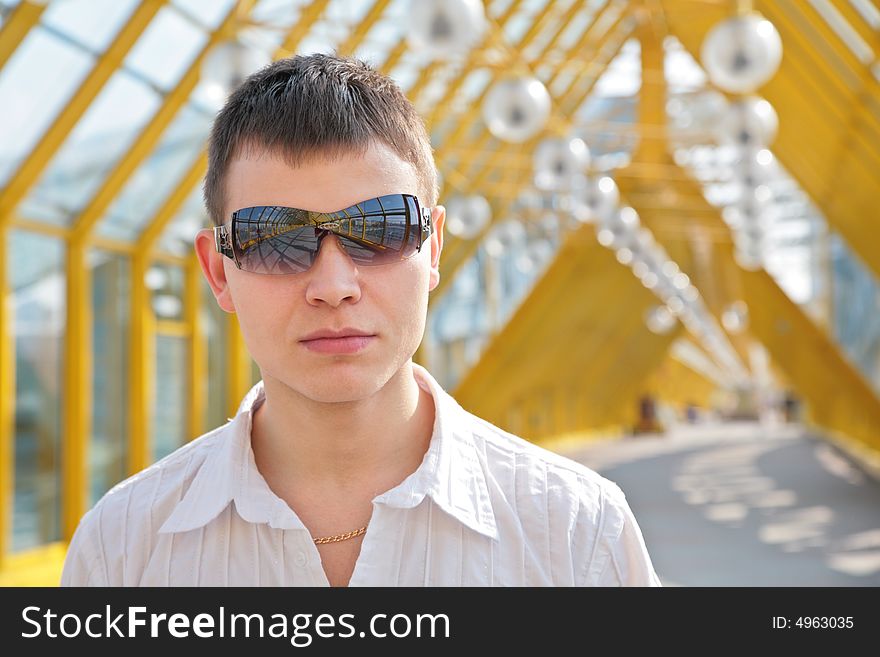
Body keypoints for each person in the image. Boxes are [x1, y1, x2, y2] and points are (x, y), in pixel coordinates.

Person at [61, 54, 661, 587]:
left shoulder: (578, 535)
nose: (333, 287)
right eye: (276, 239)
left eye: (379, 229)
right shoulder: (123, 552)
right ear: (219, 272)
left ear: (434, 248)